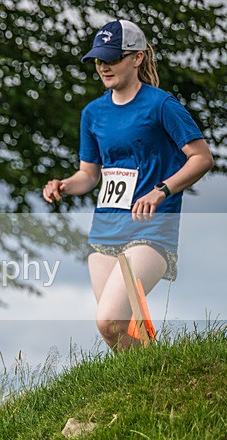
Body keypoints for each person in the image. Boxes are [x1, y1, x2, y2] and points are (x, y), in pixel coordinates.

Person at [42, 20, 213, 350]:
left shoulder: (161, 105)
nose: (104, 67)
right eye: (98, 60)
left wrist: (161, 190)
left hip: (150, 230)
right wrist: (64, 184)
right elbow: (89, 175)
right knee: (116, 328)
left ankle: (156, 374)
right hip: (105, 230)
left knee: (107, 318)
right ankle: (152, 382)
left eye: (112, 58)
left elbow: (202, 158)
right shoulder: (93, 113)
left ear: (136, 58)